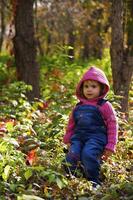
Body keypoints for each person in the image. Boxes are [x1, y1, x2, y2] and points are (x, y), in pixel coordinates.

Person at [63, 66, 118, 187]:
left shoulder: (104, 105)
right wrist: (67, 139)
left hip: (96, 138)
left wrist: (111, 145)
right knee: (72, 156)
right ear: (81, 88)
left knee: (88, 154)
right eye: (86, 86)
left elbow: (112, 125)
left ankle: (94, 181)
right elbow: (71, 124)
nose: (89, 90)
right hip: (78, 138)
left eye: (93, 86)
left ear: (101, 88)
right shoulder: (78, 106)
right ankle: (73, 179)